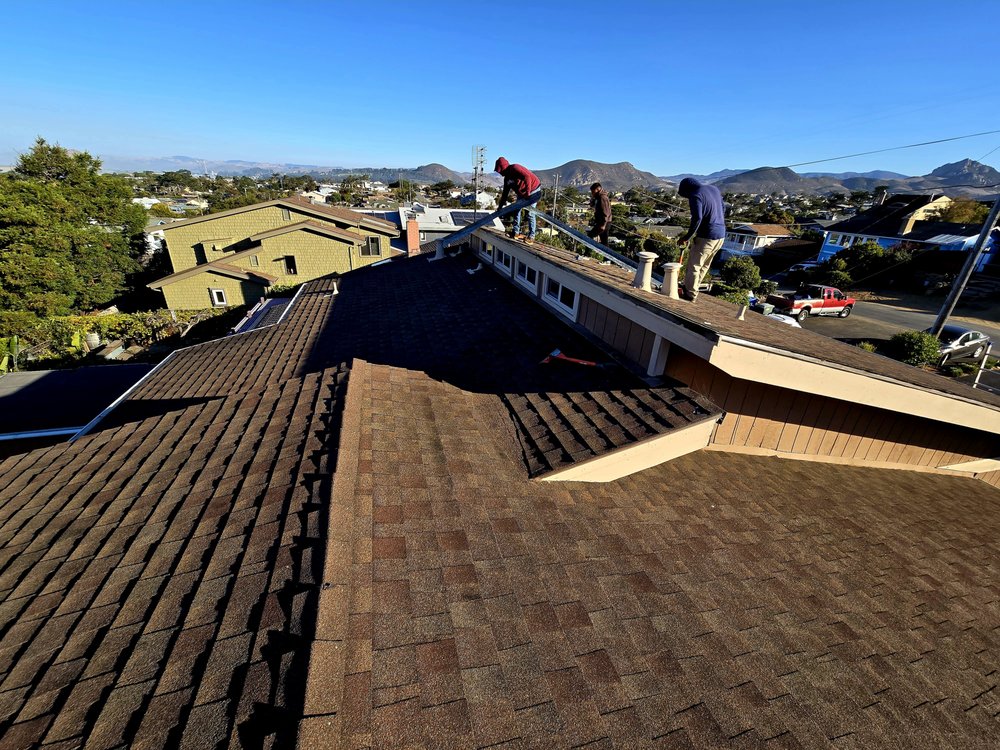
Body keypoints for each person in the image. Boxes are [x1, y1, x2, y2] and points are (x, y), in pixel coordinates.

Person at [677, 177, 726, 301]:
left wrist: (687, 237)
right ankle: (692, 288)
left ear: (687, 190)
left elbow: (697, 218)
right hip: (721, 235)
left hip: (707, 235)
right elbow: (723, 209)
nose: (688, 198)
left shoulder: (695, 195)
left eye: (686, 195)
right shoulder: (714, 189)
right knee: (704, 265)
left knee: (694, 265)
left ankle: (690, 294)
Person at [495, 157, 542, 241]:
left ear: (503, 168)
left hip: (533, 190)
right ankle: (516, 232)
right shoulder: (507, 179)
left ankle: (531, 236)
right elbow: (505, 194)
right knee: (516, 210)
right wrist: (500, 207)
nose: (500, 173)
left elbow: (527, 177)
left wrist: (527, 193)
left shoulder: (515, 168)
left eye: (500, 171)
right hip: (523, 193)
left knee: (530, 213)